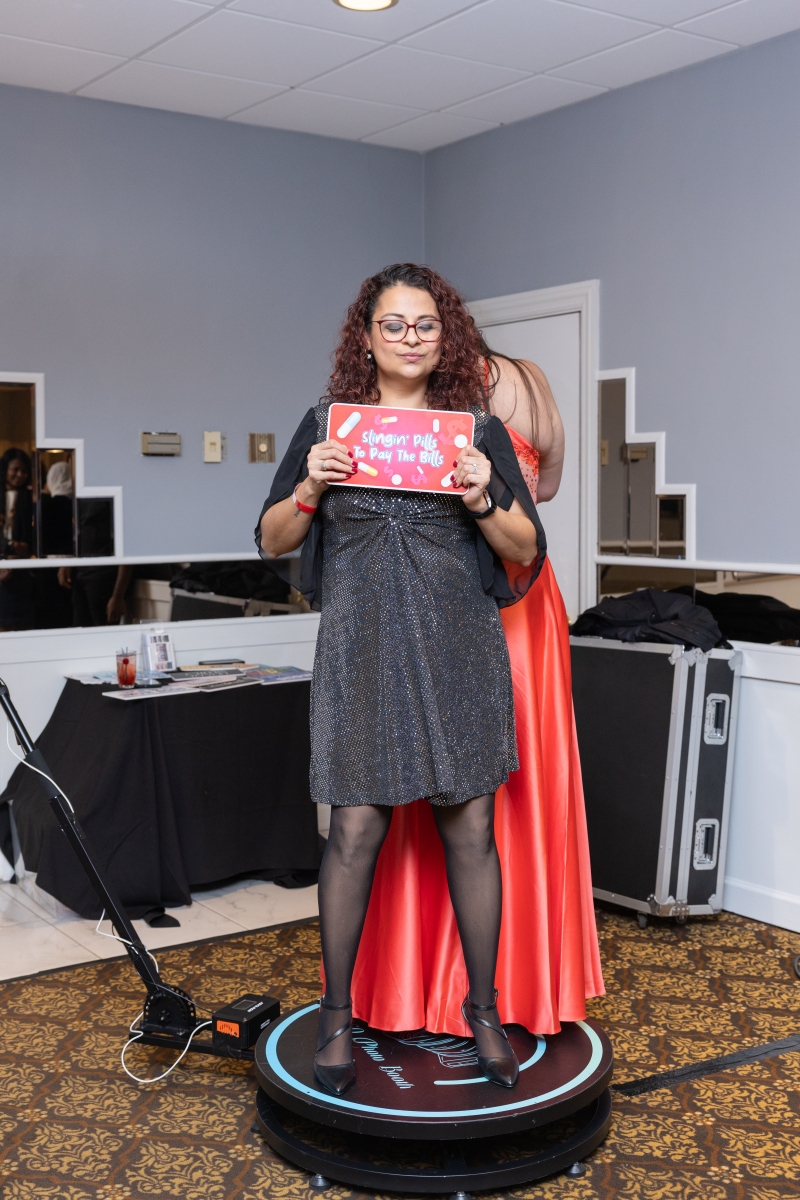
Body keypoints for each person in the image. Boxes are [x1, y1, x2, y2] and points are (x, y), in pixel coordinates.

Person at [257, 263, 546, 1096]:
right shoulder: (329, 425)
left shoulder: (476, 432)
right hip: (361, 651)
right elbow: (272, 539)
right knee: (352, 833)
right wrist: (310, 484)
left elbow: (525, 550)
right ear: (367, 336)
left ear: (444, 337)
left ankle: (482, 1010)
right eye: (394, 324)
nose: (410, 338)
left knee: (471, 832)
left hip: (459, 650)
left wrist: (484, 497)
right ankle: (337, 1016)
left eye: (425, 324)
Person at [345, 346, 605, 1042]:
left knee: (436, 774)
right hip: (533, 593)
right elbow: (545, 488)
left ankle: (424, 985)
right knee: (520, 780)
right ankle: (525, 980)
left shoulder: (433, 388)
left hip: (466, 588)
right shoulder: (533, 378)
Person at [0, 448, 35, 631]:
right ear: (5, 469)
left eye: (24, 471)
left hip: (20, 568)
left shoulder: (29, 497)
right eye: (15, 469)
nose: (20, 475)